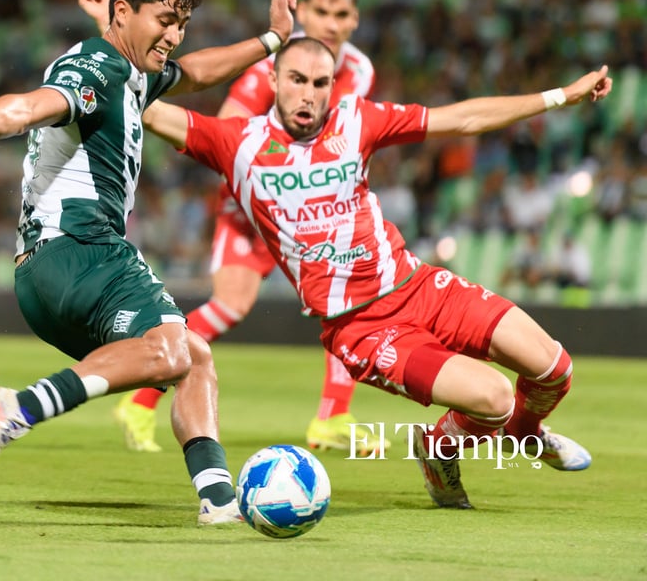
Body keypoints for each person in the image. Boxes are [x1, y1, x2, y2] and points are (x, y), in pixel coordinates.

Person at [139, 37, 612, 508]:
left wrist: (561, 96)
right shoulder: (235, 142)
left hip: (418, 286)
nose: (308, 94)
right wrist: (117, 38)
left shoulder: (356, 119)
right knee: (493, 400)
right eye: (297, 80)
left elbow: (462, 118)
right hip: (362, 328)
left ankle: (527, 434)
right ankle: (436, 449)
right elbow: (147, 107)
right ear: (272, 80)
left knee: (555, 369)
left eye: (320, 83)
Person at [0, 0, 296, 525]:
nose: (174, 35)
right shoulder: (98, 66)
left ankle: (218, 500)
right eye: (165, 21)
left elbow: (197, 73)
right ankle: (16, 407)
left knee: (193, 357)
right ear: (124, 12)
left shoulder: (133, 73)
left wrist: (272, 40)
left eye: (182, 24)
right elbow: (30, 106)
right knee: (174, 349)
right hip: (82, 251)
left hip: (45, 275)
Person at [81, 0, 381, 455]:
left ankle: (333, 416)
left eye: (341, 14)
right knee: (236, 305)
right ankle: (144, 396)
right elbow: (231, 130)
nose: (330, 24)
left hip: (315, 204)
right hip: (256, 204)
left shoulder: (360, 71)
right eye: (321, 12)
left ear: (354, 20)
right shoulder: (271, 67)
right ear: (304, 15)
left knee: (338, 298)